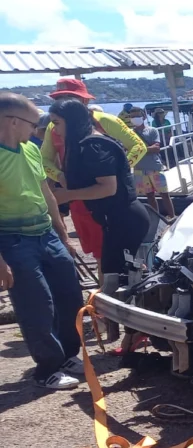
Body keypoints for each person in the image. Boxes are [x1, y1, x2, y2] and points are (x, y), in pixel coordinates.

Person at [0, 93, 85, 389]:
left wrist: (62, 233)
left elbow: (45, 192)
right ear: (13, 122)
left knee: (68, 294)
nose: (39, 131)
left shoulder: (31, 150)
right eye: (35, 125)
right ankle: (46, 368)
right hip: (12, 239)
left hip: (46, 233)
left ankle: (67, 355)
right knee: (35, 304)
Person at [40, 79, 146, 270]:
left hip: (104, 196)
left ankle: (107, 290)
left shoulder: (105, 122)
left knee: (112, 258)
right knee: (99, 253)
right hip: (82, 200)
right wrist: (60, 177)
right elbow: (44, 159)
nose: (63, 102)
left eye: (70, 98)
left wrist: (117, 170)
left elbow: (139, 147)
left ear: (85, 102)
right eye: (59, 98)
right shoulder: (54, 127)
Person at [127, 107, 175, 218]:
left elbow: (156, 148)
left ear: (143, 117)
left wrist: (139, 150)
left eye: (137, 116)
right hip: (139, 169)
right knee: (149, 195)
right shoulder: (129, 134)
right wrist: (146, 149)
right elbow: (128, 149)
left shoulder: (152, 130)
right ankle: (156, 218)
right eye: (132, 116)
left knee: (164, 194)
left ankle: (172, 216)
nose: (135, 118)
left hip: (155, 167)